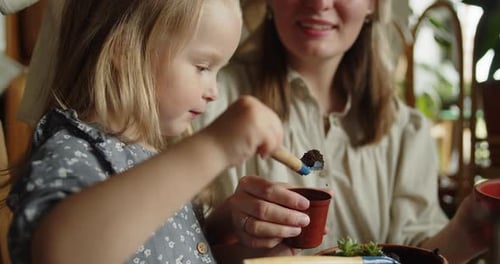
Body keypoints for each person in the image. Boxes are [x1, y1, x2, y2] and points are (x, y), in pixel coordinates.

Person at [193, 0, 493, 263]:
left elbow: (412, 253)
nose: (319, 3)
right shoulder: (203, 100)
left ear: (373, 4)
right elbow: (170, 245)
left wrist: (467, 233)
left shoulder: (406, 131)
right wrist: (228, 235)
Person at [6, 0, 291, 263]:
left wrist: (240, 250)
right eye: (203, 66)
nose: (214, 92)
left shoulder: (153, 158)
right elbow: (60, 254)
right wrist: (215, 146)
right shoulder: (75, 151)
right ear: (124, 50)